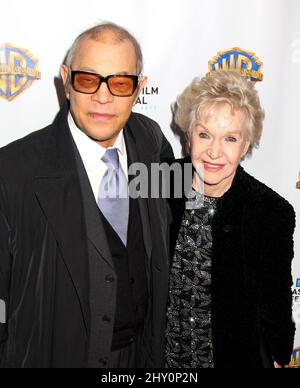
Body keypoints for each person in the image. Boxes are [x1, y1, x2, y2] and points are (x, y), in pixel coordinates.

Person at [0, 22, 174, 368]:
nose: (103, 96)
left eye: (120, 82)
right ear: (66, 81)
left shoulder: (151, 141)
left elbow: (174, 221)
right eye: (87, 79)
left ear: (139, 88)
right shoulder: (13, 171)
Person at [165, 70, 296, 368]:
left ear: (247, 144)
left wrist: (277, 355)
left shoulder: (271, 212)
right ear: (188, 134)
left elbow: (274, 303)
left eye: (230, 138)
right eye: (204, 134)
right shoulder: (161, 183)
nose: (214, 152)